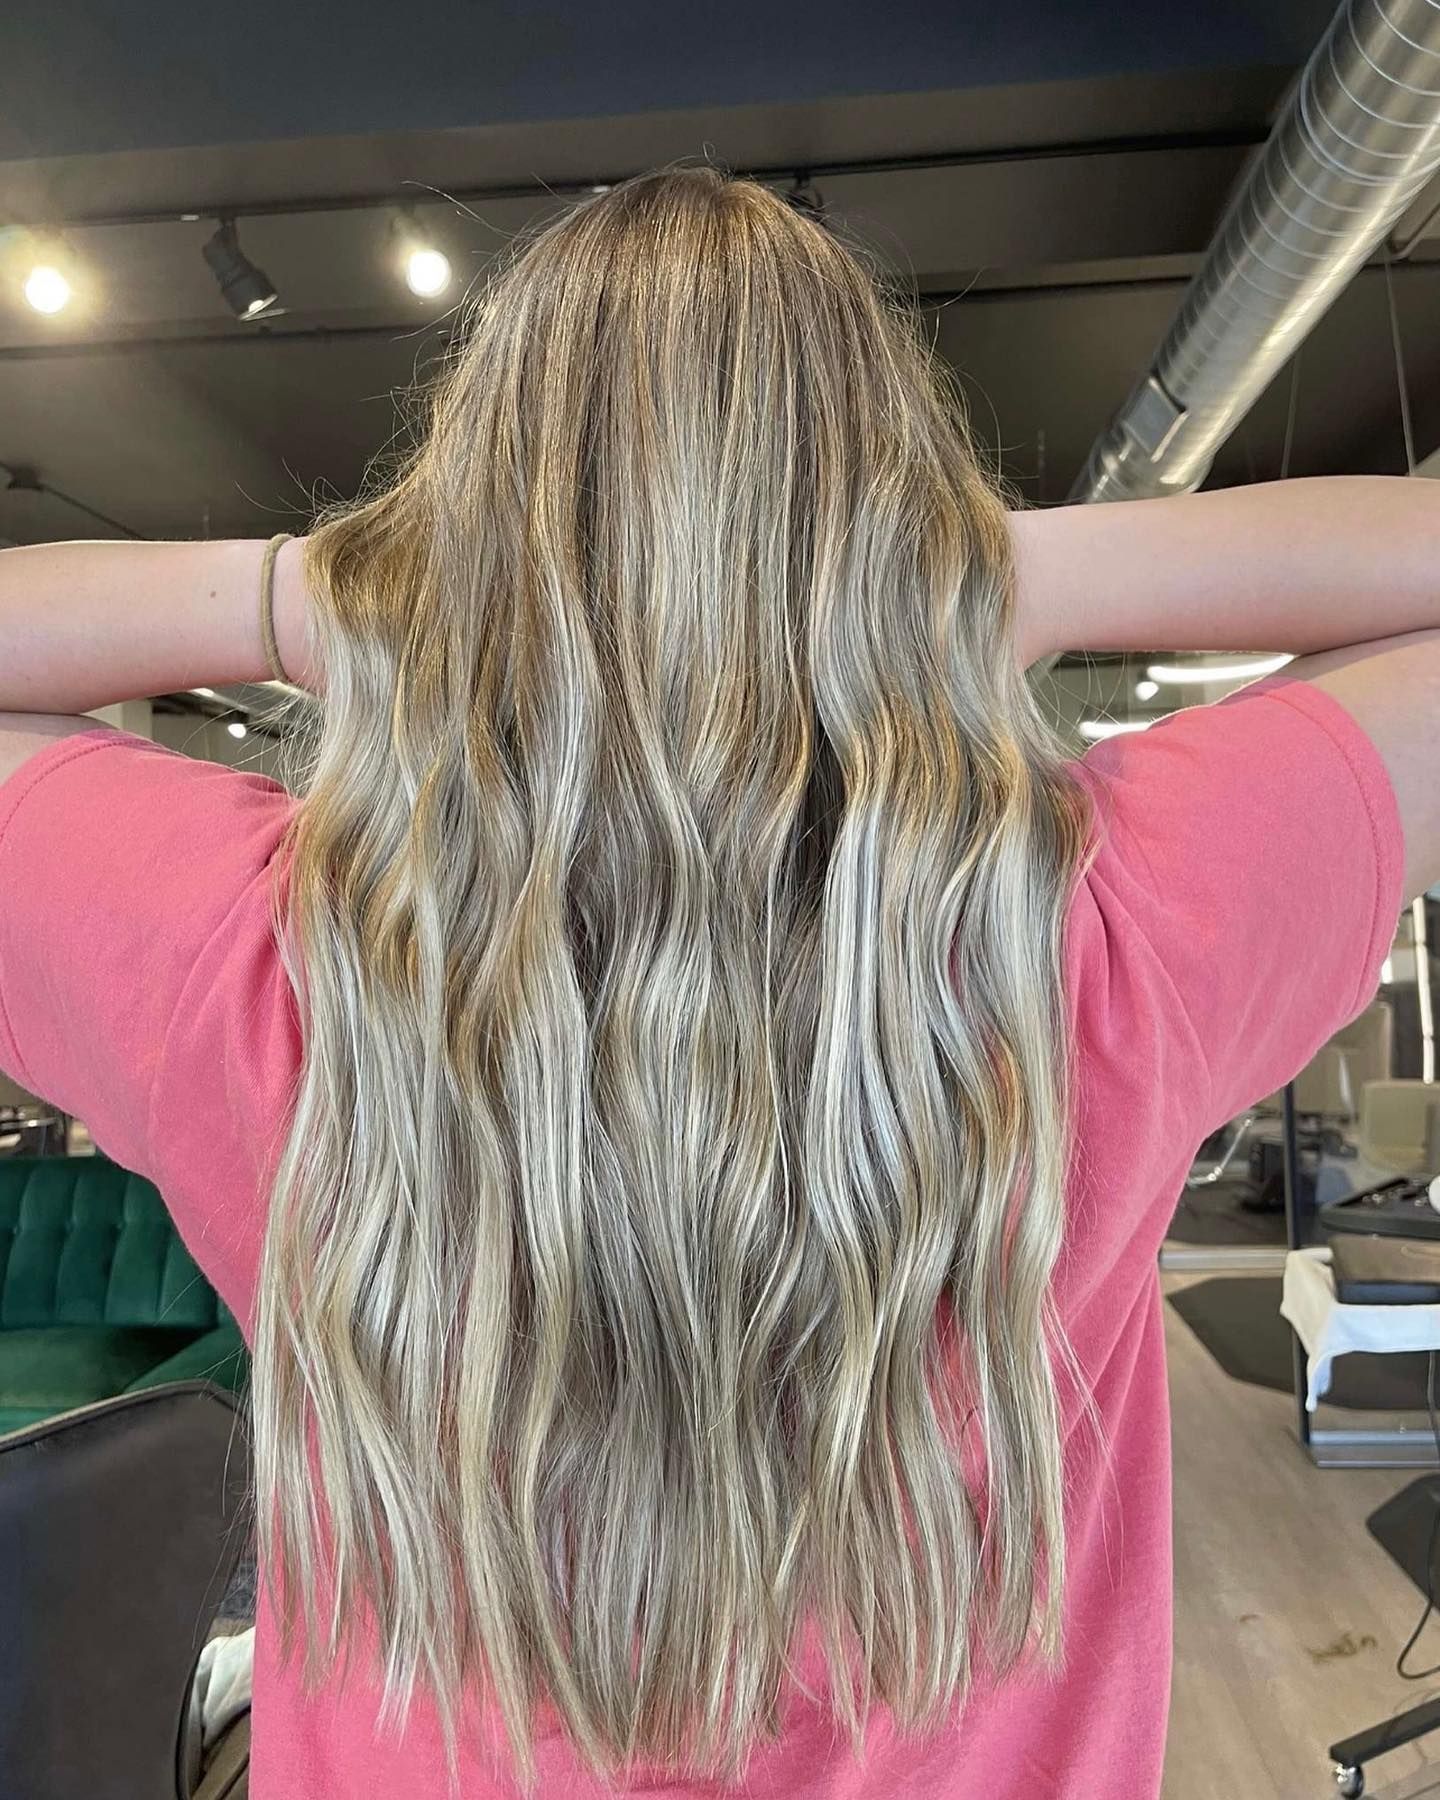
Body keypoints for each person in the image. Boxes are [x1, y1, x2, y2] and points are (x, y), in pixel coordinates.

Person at [0, 166, 1436, 1800]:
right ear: (887, 503)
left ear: (465, 525)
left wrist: (337, 602)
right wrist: (961, 587)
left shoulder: (252, 958)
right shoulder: (1110, 938)